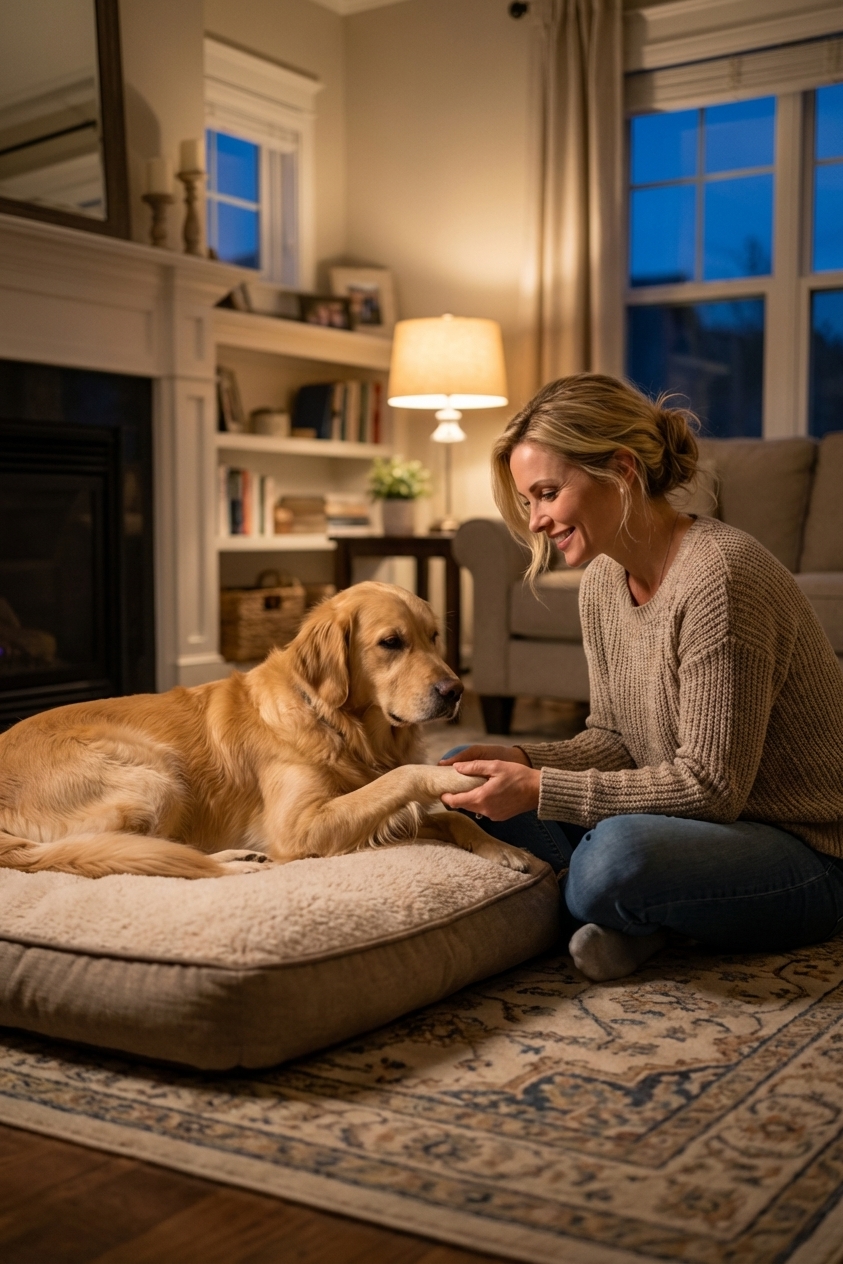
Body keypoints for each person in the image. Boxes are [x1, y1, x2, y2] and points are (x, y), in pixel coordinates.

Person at [440, 373, 843, 982]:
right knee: (458, 779)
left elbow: (710, 788)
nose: (538, 522)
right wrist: (522, 756)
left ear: (621, 470)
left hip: (801, 851)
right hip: (695, 833)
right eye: (529, 503)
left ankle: (599, 902)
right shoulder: (603, 581)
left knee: (616, 856)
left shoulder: (721, 577)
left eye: (547, 493)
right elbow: (615, 739)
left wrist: (540, 788)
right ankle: (634, 919)